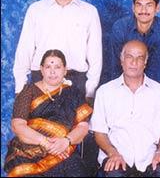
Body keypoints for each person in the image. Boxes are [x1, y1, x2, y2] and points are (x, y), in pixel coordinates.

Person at [13, 0, 102, 176]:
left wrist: (89, 92)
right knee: (37, 139)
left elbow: (96, 55)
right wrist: (20, 88)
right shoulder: (36, 9)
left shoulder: (89, 11)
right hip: (40, 80)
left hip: (77, 81)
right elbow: (24, 49)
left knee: (79, 140)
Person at [90, 40, 160, 177]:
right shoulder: (105, 92)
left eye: (140, 58)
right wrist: (112, 153)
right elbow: (99, 133)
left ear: (145, 62)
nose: (134, 62)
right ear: (121, 61)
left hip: (151, 158)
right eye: (129, 57)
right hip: (116, 157)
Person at [4, 49, 93, 177]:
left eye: (57, 67)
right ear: (41, 69)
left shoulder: (74, 93)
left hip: (63, 150)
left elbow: (83, 127)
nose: (52, 71)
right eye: (48, 67)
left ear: (65, 70)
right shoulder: (28, 91)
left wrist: (66, 141)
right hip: (28, 151)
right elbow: (17, 125)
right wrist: (45, 142)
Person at [111, 0, 160, 83]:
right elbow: (116, 66)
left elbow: (156, 69)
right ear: (133, 7)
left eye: (149, 5)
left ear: (157, 8)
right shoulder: (120, 27)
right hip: (123, 81)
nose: (143, 10)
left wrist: (146, 93)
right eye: (139, 5)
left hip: (150, 83)